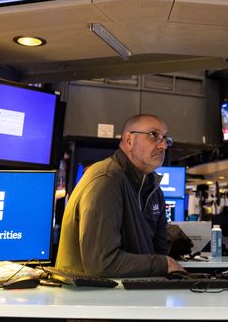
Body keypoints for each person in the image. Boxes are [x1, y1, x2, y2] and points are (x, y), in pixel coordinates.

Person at [56, 114, 185, 277]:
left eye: (166, 139)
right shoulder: (107, 180)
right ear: (129, 139)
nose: (163, 146)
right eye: (154, 136)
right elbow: (103, 264)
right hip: (88, 298)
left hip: (127, 297)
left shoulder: (154, 191)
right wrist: (163, 264)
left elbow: (157, 253)